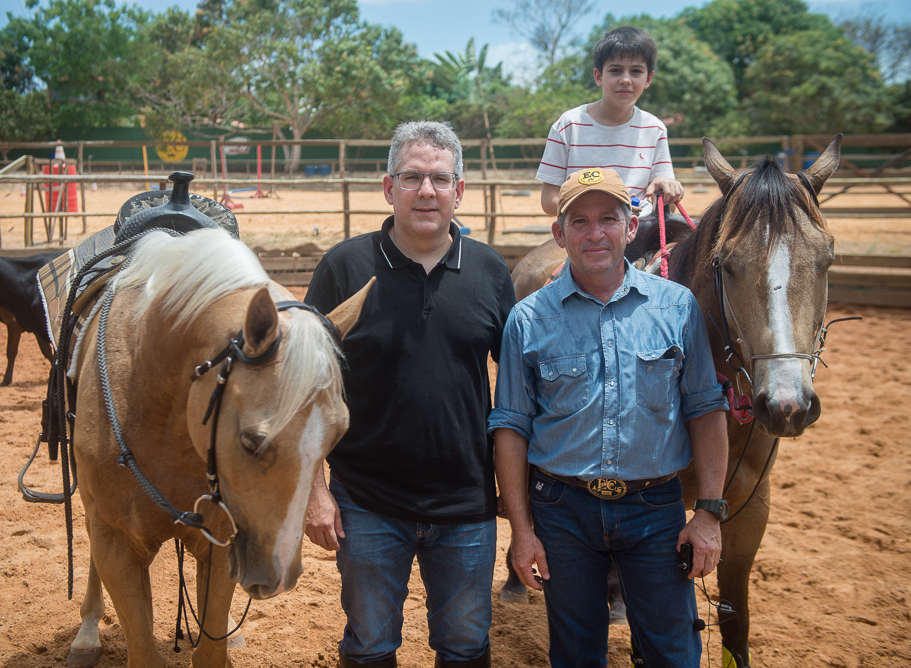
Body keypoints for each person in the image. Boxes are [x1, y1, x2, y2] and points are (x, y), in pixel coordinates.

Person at [489, 167, 729, 667]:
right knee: (576, 654)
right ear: (559, 234)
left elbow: (706, 410)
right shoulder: (528, 319)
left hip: (655, 508)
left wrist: (707, 513)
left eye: (607, 219)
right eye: (578, 221)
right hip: (562, 509)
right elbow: (511, 426)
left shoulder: (678, 308)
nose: (594, 233)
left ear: (631, 225)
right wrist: (522, 529)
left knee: (673, 652)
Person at [303, 121, 516, 668]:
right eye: (413, 177)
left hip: (466, 502)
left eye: (440, 179)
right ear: (388, 187)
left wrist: (521, 503)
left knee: (466, 646)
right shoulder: (344, 268)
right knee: (370, 644)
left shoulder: (490, 272)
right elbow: (300, 391)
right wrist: (314, 491)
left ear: (459, 190)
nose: (427, 191)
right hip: (367, 501)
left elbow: (519, 395)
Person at [536, 26, 685, 224]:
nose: (625, 80)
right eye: (615, 70)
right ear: (598, 76)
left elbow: (666, 206)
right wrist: (604, 211)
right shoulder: (568, 125)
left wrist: (667, 189)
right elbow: (548, 200)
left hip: (638, 231)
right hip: (584, 232)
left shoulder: (655, 129)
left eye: (636, 71)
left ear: (648, 78)